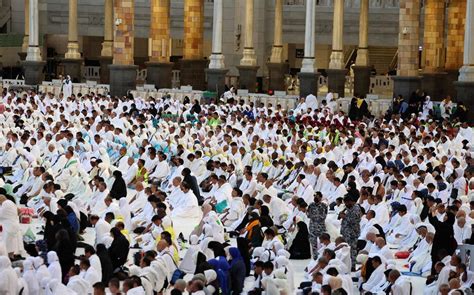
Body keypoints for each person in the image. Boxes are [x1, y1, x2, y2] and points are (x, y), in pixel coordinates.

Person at [339, 196, 361, 269]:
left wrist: (344, 217)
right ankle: (347, 265)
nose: (345, 204)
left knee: (352, 250)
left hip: (352, 233)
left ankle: (352, 266)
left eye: (346, 203)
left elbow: (354, 221)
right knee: (346, 249)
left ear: (350, 201)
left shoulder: (356, 209)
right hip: (346, 232)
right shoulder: (347, 208)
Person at [0, 194, 24, 259]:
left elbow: (1, 214)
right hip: (13, 225)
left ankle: (7, 258)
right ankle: (11, 257)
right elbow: (19, 211)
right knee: (11, 243)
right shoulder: (10, 202)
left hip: (9, 227)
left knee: (7, 244)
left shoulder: (5, 204)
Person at [307, 192, 328, 259]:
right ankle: (315, 258)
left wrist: (315, 217)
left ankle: (323, 257)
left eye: (317, 196)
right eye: (314, 196)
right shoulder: (311, 205)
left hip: (321, 227)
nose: (315, 197)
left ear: (321, 197)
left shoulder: (324, 206)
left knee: (323, 243)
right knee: (313, 244)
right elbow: (308, 215)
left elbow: (324, 216)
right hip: (312, 227)